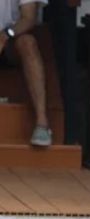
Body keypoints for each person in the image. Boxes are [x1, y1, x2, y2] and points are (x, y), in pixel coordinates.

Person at [0, 0, 51, 146]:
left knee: (28, 43)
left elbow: (29, 18)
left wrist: (6, 35)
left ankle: (42, 124)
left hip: (11, 39)